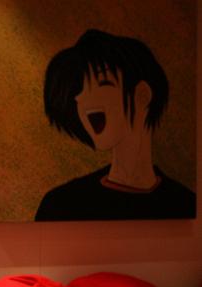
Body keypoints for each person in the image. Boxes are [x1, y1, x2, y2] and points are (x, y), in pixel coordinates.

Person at [36, 29, 195, 221]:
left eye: (103, 82)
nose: (81, 97)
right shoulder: (60, 205)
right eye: (81, 88)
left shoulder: (184, 204)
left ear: (142, 95)